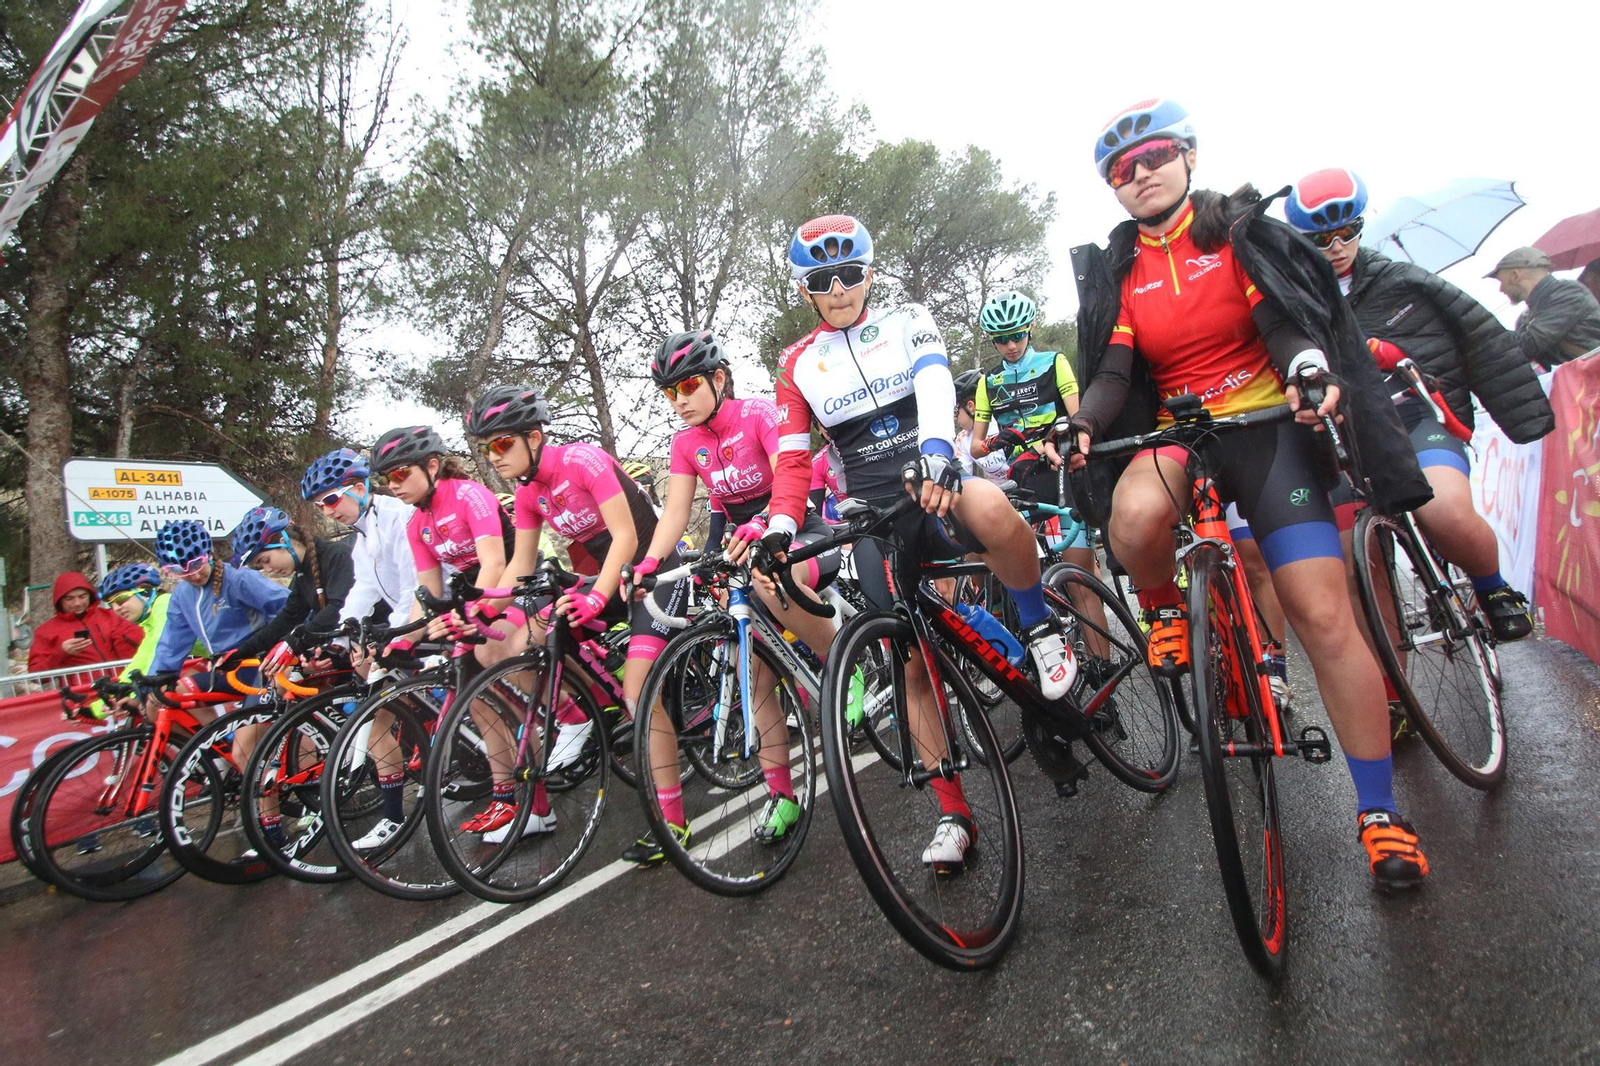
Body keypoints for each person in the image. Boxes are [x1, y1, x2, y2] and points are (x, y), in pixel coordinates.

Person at [1066, 99, 1433, 890]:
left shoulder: (1236, 232)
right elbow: (1114, 373)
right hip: (1182, 436)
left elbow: (1285, 325)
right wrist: (1084, 424)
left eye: (1155, 155)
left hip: (1267, 429)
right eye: (1121, 171)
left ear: (1190, 156)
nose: (1140, 174)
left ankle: (1379, 816)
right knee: (1130, 518)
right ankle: (1167, 609)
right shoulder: (1122, 266)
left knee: (1324, 615)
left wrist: (1306, 368)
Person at [764, 213, 1077, 872]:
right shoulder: (796, 363)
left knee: (989, 507)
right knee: (910, 664)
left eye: (851, 272)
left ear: (870, 272)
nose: (840, 286)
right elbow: (793, 459)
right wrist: (779, 528)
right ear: (805, 290)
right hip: (875, 514)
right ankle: (953, 814)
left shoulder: (908, 319)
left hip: (933, 476)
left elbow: (936, 382)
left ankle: (1039, 625)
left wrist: (937, 451)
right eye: (823, 278)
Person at [1286, 169, 1552, 643]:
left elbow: (1483, 339)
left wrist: (1525, 417)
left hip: (1414, 415)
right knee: (1357, 568)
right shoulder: (1289, 300)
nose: (1338, 245)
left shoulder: (1404, 279)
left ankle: (1493, 590)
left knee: (1444, 510)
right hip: (1341, 434)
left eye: (1350, 231)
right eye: (1323, 239)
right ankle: (1395, 700)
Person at [462, 386, 692, 857]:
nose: (494, 457)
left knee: (639, 694)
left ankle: (673, 821)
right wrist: (480, 611)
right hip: (606, 578)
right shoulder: (527, 492)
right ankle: (588, 709)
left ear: (534, 436)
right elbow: (520, 567)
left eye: (503, 444)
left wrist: (598, 596)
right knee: (515, 639)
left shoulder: (581, 460)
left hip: (655, 569)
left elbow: (626, 537)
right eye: (487, 448)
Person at [639, 329, 844, 848]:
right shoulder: (685, 444)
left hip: (799, 531)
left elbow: (788, 480)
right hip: (745, 547)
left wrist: (768, 523)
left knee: (773, 577)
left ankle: (847, 664)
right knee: (753, 678)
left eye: (687, 387)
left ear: (719, 378)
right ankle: (782, 797)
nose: (679, 401)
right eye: (670, 393)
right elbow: (676, 514)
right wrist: (647, 563)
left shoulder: (757, 414)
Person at [225, 505, 356, 847]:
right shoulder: (302, 577)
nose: (268, 571)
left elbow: (338, 607)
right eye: (260, 568)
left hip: (367, 637)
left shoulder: (335, 556)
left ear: (284, 539)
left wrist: (296, 642)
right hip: (334, 646)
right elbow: (285, 621)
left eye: (266, 561)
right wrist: (239, 651)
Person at [144, 518, 289, 720]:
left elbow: (288, 607)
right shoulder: (182, 595)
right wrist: (153, 681)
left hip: (258, 666)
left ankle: (243, 749)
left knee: (251, 742)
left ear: (208, 554)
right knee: (157, 701)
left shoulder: (238, 578)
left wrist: (284, 646)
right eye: (180, 571)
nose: (193, 576)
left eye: (196, 565)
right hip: (226, 670)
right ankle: (214, 747)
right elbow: (172, 643)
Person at [301, 447, 417, 635]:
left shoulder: (396, 517)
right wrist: (341, 639)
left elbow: (412, 589)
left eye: (331, 500)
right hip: (413, 623)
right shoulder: (364, 531)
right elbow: (363, 590)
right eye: (319, 506)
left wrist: (395, 638)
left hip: (434, 621)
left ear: (359, 489)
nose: (327, 512)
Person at [1486, 246, 1600, 368]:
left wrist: (1483, 335)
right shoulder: (1526, 316)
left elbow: (1529, 345)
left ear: (1515, 276)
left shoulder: (1569, 293)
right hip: (1577, 382)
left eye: (1501, 282)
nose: (1501, 289)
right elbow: (1516, 353)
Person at [27, 570, 145, 673]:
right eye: (69, 598)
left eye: (82, 596)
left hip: (122, 687)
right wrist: (61, 653)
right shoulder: (45, 631)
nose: (77, 603)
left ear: (90, 595)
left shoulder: (111, 616)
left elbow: (144, 641)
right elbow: (36, 674)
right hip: (82, 694)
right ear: (59, 600)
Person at [953, 370, 1010, 484]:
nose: (954, 418)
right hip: (1001, 493)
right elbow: (961, 477)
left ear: (970, 406)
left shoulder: (1002, 423)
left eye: (955, 411)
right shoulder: (962, 438)